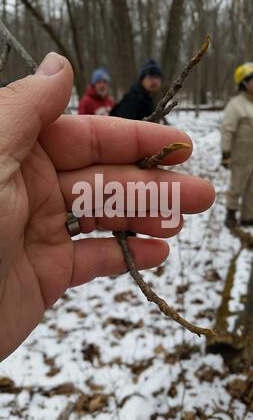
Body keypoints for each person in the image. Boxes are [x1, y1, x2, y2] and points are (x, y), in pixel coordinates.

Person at [0, 52, 215, 361]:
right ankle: (123, 228)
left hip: (103, 173)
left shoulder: (140, 97)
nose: (154, 81)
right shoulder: (133, 99)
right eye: (151, 76)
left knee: (126, 201)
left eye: (158, 77)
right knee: (123, 201)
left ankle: (123, 226)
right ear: (142, 79)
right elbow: (120, 124)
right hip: (105, 164)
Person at [221, 62, 253, 228]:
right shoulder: (236, 105)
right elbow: (227, 130)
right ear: (244, 83)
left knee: (252, 187)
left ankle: (248, 217)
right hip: (240, 154)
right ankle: (231, 214)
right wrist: (226, 153)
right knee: (237, 185)